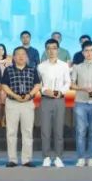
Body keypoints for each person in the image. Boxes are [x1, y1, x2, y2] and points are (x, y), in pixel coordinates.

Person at [0, 46, 39, 167]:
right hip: (12, 103)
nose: (21, 56)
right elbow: (4, 85)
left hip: (27, 103)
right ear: (14, 57)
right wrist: (15, 95)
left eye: (23, 54)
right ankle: (12, 159)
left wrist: (30, 95)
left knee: (27, 132)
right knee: (11, 132)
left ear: (26, 57)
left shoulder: (32, 70)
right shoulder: (8, 70)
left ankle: (26, 159)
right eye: (18, 54)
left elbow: (37, 85)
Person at [37, 38, 71, 167]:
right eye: (49, 48)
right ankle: (46, 157)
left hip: (59, 100)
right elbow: (39, 83)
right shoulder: (41, 66)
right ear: (46, 50)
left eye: (54, 48)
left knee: (58, 130)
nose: (51, 51)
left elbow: (67, 82)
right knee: (45, 131)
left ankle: (58, 157)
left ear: (58, 50)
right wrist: (45, 90)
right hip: (46, 100)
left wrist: (60, 92)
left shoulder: (64, 65)